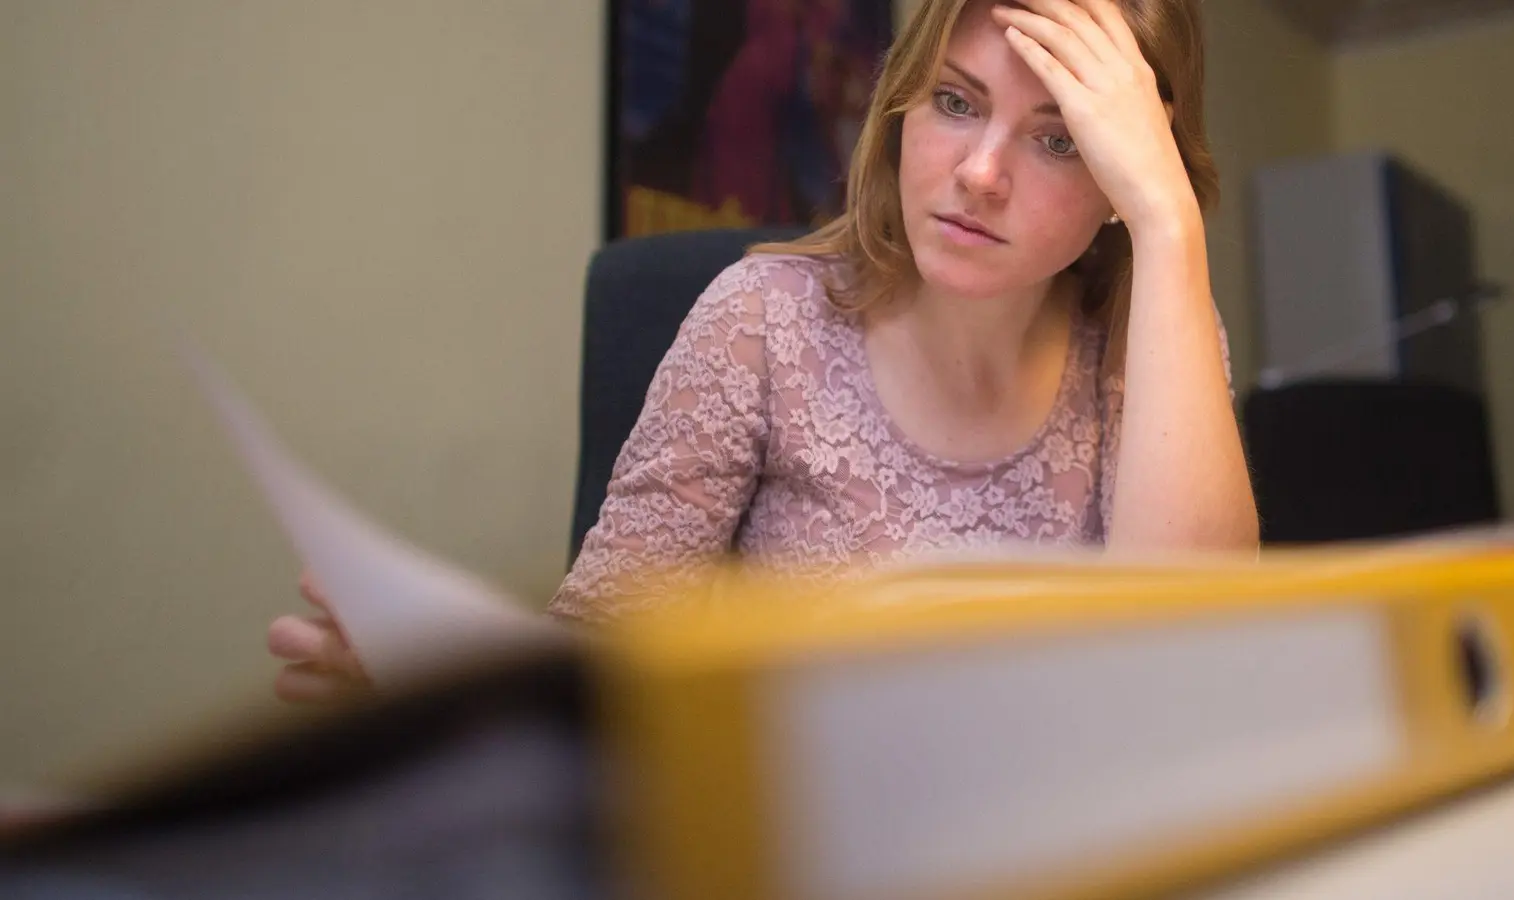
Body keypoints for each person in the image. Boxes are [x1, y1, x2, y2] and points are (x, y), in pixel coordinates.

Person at [267, 0, 1259, 703]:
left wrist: (1168, 223)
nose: (981, 173)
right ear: (901, 104)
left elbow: (1198, 673)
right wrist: (456, 703)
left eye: (1060, 139)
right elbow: (606, 649)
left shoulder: (1155, 346)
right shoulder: (762, 323)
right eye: (955, 103)